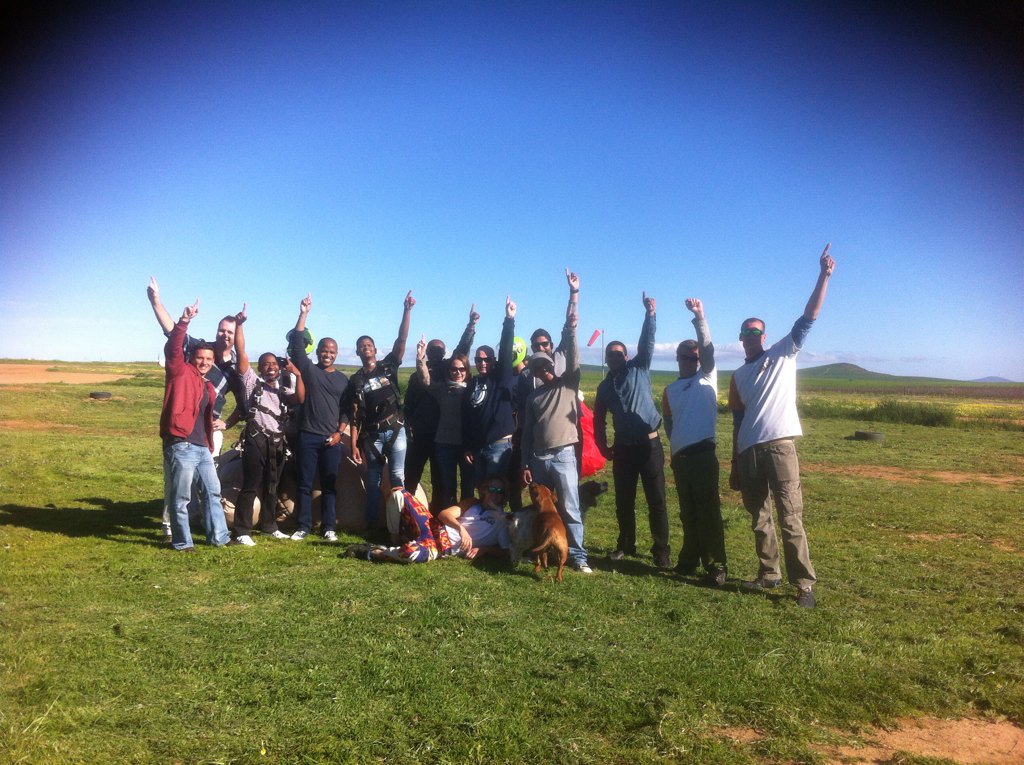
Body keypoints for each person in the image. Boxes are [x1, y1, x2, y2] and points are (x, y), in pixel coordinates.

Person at [729, 244, 836, 609]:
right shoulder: (739, 375)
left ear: (765, 335)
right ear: (740, 338)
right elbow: (738, 419)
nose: (751, 336)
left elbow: (809, 315)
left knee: (790, 518)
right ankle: (768, 574)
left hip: (779, 447)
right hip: (748, 451)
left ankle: (804, 585)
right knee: (759, 518)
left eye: (756, 331)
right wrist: (733, 462)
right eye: (746, 332)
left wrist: (823, 275)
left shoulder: (783, 351)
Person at [147, 277, 241, 539]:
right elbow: (171, 334)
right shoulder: (199, 349)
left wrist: (229, 422)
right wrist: (157, 302)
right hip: (182, 432)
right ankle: (171, 527)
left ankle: (202, 524)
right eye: (222, 330)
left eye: (230, 332)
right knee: (177, 483)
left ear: (236, 337)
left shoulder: (235, 368)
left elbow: (246, 402)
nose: (224, 334)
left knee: (210, 485)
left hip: (209, 432)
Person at [593, 292, 671, 568]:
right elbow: (598, 419)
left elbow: (646, 344)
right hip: (623, 449)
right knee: (624, 502)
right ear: (606, 359)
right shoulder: (604, 387)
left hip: (649, 445)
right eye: (609, 354)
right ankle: (625, 544)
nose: (613, 356)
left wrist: (650, 314)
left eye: (618, 353)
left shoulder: (639, 368)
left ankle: (661, 549)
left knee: (657, 499)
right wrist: (603, 447)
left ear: (626, 356)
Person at [662, 298, 726, 585]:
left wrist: (700, 317)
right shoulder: (671, 389)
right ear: (677, 358)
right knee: (687, 512)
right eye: (686, 356)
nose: (691, 360)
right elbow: (669, 421)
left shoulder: (707, 376)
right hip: (681, 458)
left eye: (695, 357)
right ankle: (688, 560)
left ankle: (716, 566)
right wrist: (675, 446)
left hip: (703, 453)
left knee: (708, 511)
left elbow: (708, 349)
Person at [521, 312, 591, 573]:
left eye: (546, 365)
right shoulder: (533, 397)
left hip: (563, 456)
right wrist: (524, 462)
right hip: (538, 458)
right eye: (538, 367)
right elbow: (527, 432)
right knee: (540, 508)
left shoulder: (569, 383)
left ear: (552, 365)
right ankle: (539, 552)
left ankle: (578, 556)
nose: (543, 370)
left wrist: (571, 330)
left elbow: (573, 358)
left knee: (570, 506)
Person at [230, 305, 305, 546]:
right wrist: (240, 325)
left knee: (272, 485)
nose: (271, 367)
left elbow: (300, 399)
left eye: (274, 364)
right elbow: (241, 352)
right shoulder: (252, 383)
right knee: (251, 485)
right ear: (259, 368)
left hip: (277, 442)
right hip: (255, 439)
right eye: (266, 364)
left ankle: (270, 526)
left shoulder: (284, 388)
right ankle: (242, 531)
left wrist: (299, 375)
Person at [159, 299, 230, 551]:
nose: (204, 362)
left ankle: (219, 537)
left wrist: (219, 425)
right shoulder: (179, 370)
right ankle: (182, 542)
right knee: (181, 498)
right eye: (200, 358)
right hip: (181, 444)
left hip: (202, 447)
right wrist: (184, 320)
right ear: (193, 358)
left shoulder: (208, 385)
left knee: (212, 493)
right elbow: (174, 348)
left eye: (208, 359)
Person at [345, 291, 415, 538]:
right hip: (372, 435)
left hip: (395, 429)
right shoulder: (355, 380)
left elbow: (401, 340)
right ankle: (373, 526)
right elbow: (354, 415)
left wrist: (407, 310)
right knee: (373, 480)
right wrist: (354, 444)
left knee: (398, 477)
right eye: (361, 346)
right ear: (357, 352)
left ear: (374, 349)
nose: (365, 348)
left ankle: (401, 525)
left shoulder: (388, 366)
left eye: (368, 345)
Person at [287, 293, 349, 542]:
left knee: (329, 485)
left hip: (332, 439)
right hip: (308, 435)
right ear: (319, 352)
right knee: (304, 483)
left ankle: (329, 527)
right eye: (324, 350)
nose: (327, 354)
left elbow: (347, 410)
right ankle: (303, 526)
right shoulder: (309, 370)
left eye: (332, 351)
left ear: (336, 354)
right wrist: (303, 313)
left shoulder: (342, 379)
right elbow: (297, 343)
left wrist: (339, 433)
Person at [403, 306, 477, 511]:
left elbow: (462, 349)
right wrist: (408, 423)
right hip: (421, 434)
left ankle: (440, 517)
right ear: (428, 352)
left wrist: (470, 326)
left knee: (441, 482)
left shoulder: (449, 370)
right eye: (433, 350)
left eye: (440, 351)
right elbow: (410, 401)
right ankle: (407, 517)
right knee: (412, 476)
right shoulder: (421, 378)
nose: (437, 353)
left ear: (444, 353)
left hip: (443, 437)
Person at [362, 480, 510, 563]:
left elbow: (506, 551)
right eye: (492, 489)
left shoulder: (504, 520)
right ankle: (393, 539)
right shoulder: (472, 503)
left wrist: (484, 549)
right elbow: (444, 514)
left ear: (504, 496)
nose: (494, 494)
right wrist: (461, 529)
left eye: (499, 491)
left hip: (442, 547)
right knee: (398, 493)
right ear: (484, 490)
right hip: (433, 527)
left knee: (409, 553)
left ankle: (373, 552)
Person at [462, 296, 518, 486]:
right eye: (478, 359)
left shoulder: (500, 377)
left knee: (495, 492)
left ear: (494, 361)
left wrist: (509, 321)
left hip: (499, 445)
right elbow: (468, 417)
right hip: (479, 447)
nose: (483, 363)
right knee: (483, 490)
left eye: (487, 359)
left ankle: (497, 516)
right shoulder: (473, 382)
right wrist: (468, 446)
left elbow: (505, 350)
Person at [413, 335, 473, 510]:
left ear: (467, 370)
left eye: (462, 369)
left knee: (468, 487)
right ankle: (448, 526)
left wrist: (471, 327)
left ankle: (468, 523)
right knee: (448, 487)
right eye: (454, 369)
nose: (458, 372)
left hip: (466, 446)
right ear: (449, 371)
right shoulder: (442, 388)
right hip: (444, 444)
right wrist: (420, 357)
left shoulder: (473, 389)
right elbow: (425, 379)